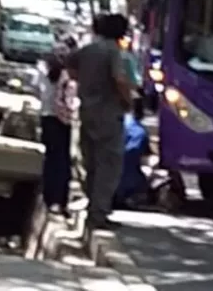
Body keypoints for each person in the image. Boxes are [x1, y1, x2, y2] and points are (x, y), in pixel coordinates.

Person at [66, 13, 133, 230]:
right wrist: (127, 100)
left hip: (87, 111)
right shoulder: (114, 52)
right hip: (109, 113)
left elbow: (70, 67)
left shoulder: (88, 50)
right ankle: (99, 212)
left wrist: (86, 83)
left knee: (91, 161)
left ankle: (92, 205)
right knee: (109, 164)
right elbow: (119, 79)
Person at [39, 44, 75, 215]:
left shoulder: (43, 72)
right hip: (63, 121)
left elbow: (39, 92)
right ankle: (60, 200)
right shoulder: (67, 76)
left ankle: (48, 198)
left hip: (47, 118)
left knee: (50, 159)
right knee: (63, 161)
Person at [115, 96, 152, 209]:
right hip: (130, 182)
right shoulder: (139, 132)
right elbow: (144, 156)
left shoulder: (115, 124)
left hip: (108, 182)